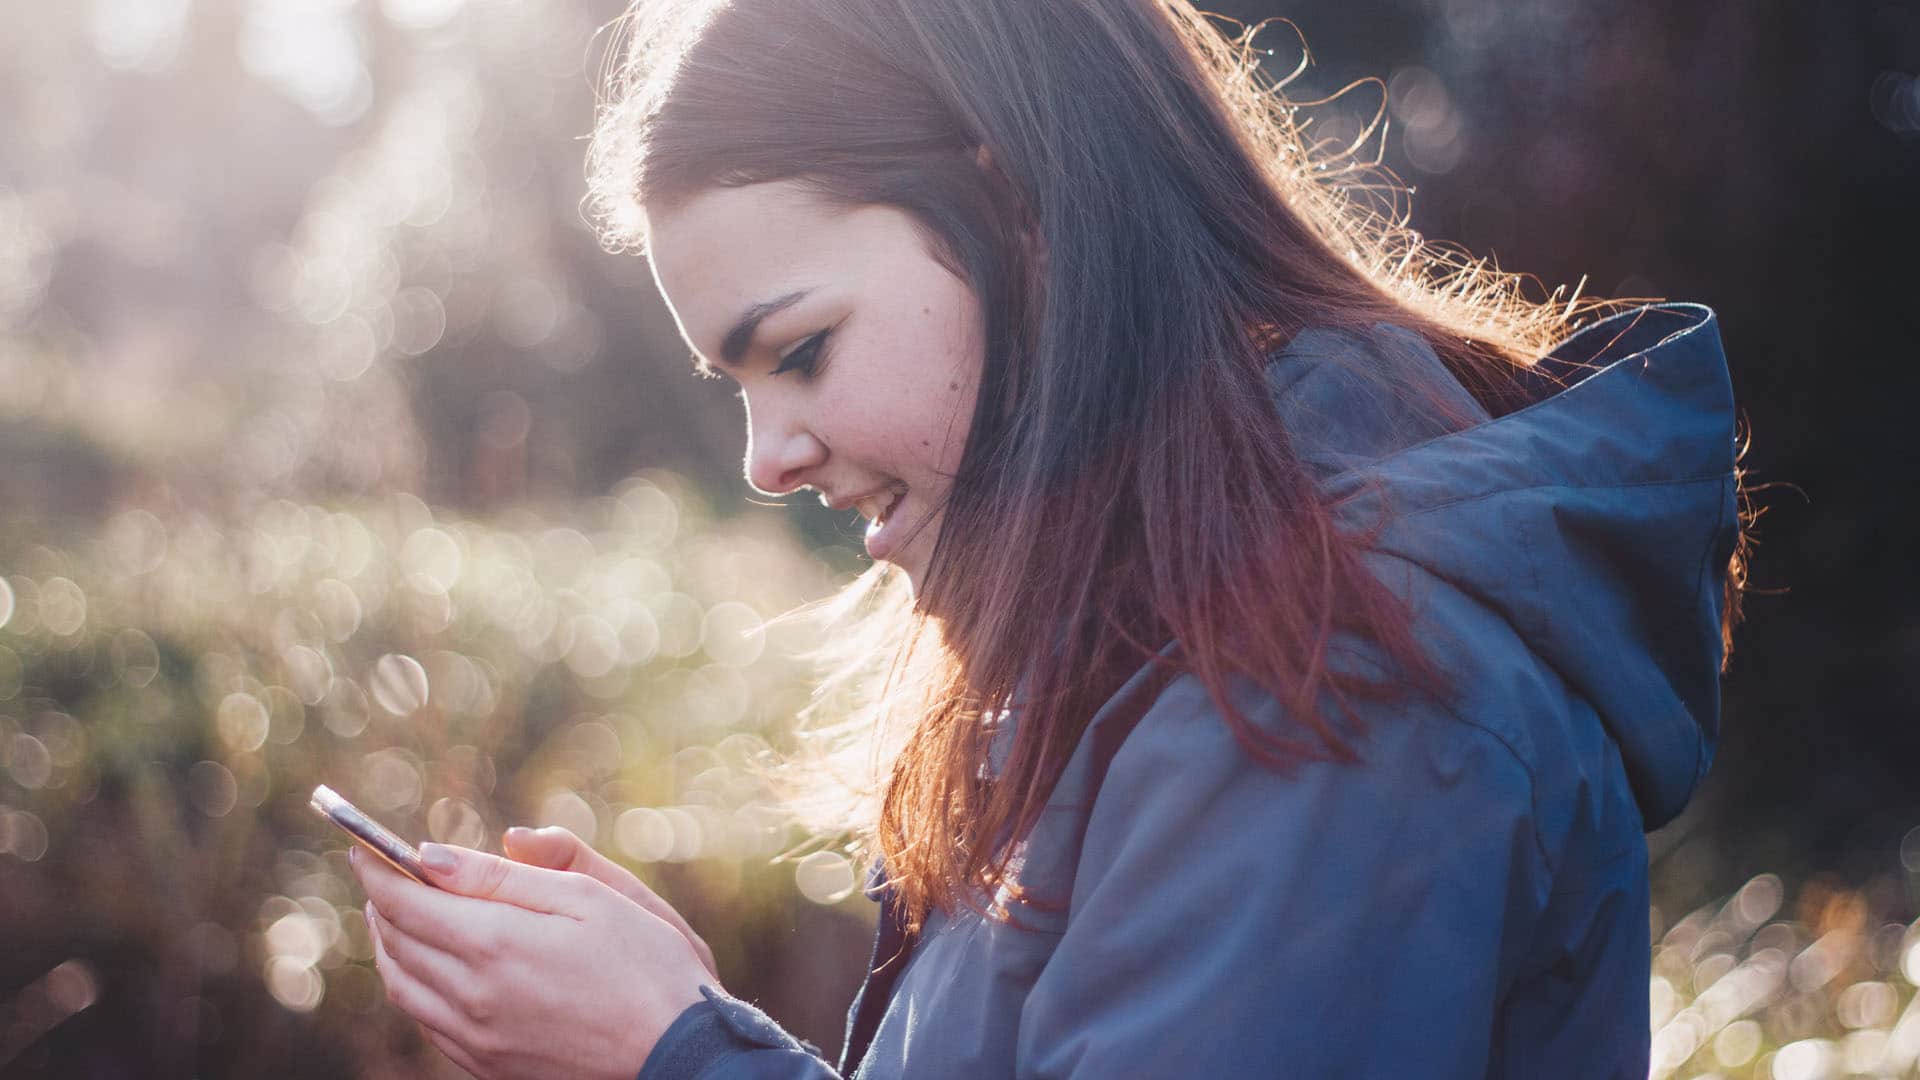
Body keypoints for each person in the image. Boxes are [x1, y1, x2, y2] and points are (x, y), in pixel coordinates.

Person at [348, 0, 1751, 1076]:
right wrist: (684, 1025)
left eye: (800, 350)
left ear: (1018, 210)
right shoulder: (1168, 639)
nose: (767, 459)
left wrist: (672, 1053)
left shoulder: (1333, 682)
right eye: (741, 388)